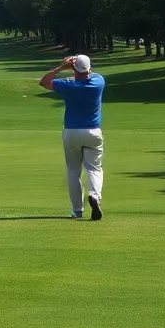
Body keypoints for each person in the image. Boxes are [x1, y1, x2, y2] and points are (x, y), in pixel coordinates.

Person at [40, 54, 106, 220]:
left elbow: (44, 82)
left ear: (74, 69)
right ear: (89, 68)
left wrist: (62, 67)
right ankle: (95, 196)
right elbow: (87, 73)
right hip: (93, 132)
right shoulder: (99, 81)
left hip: (71, 132)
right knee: (94, 168)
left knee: (73, 170)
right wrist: (78, 67)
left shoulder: (68, 85)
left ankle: (77, 211)